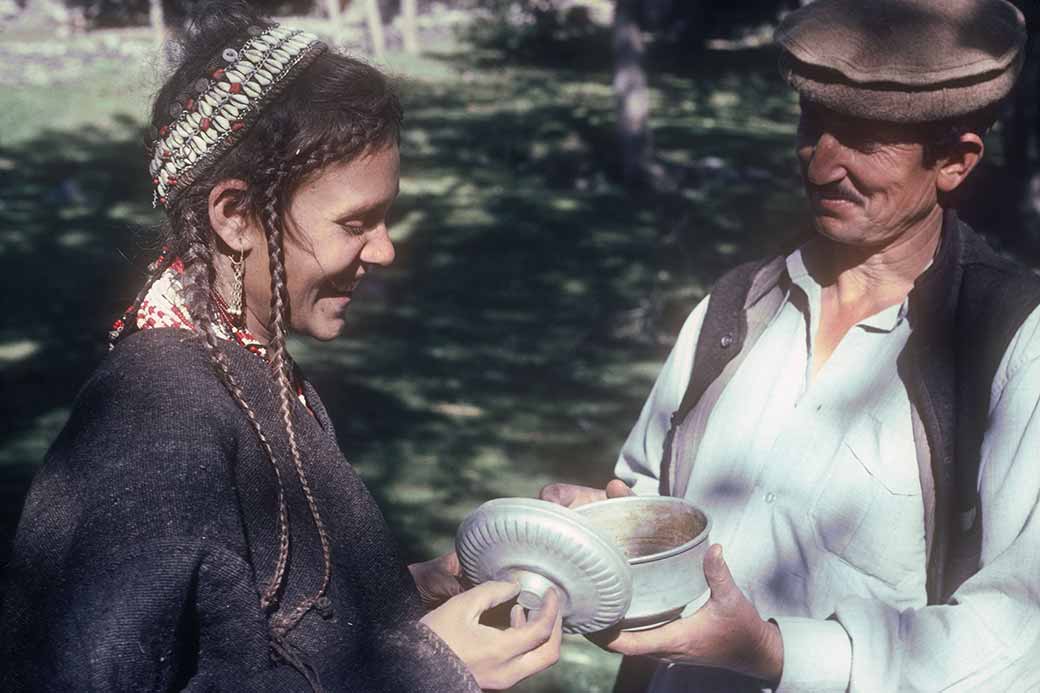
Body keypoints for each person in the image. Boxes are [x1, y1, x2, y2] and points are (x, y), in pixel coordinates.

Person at [0, 4, 562, 691]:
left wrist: (408, 592)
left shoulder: (243, 364)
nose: (384, 249)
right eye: (356, 222)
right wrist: (420, 670)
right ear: (235, 216)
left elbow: (247, 624)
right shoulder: (156, 425)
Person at [542, 0, 1040, 690]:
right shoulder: (734, 310)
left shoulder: (1011, 341)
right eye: (814, 125)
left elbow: (1019, 638)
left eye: (866, 140)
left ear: (954, 162)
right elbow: (656, 498)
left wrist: (774, 653)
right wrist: (607, 528)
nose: (821, 164)